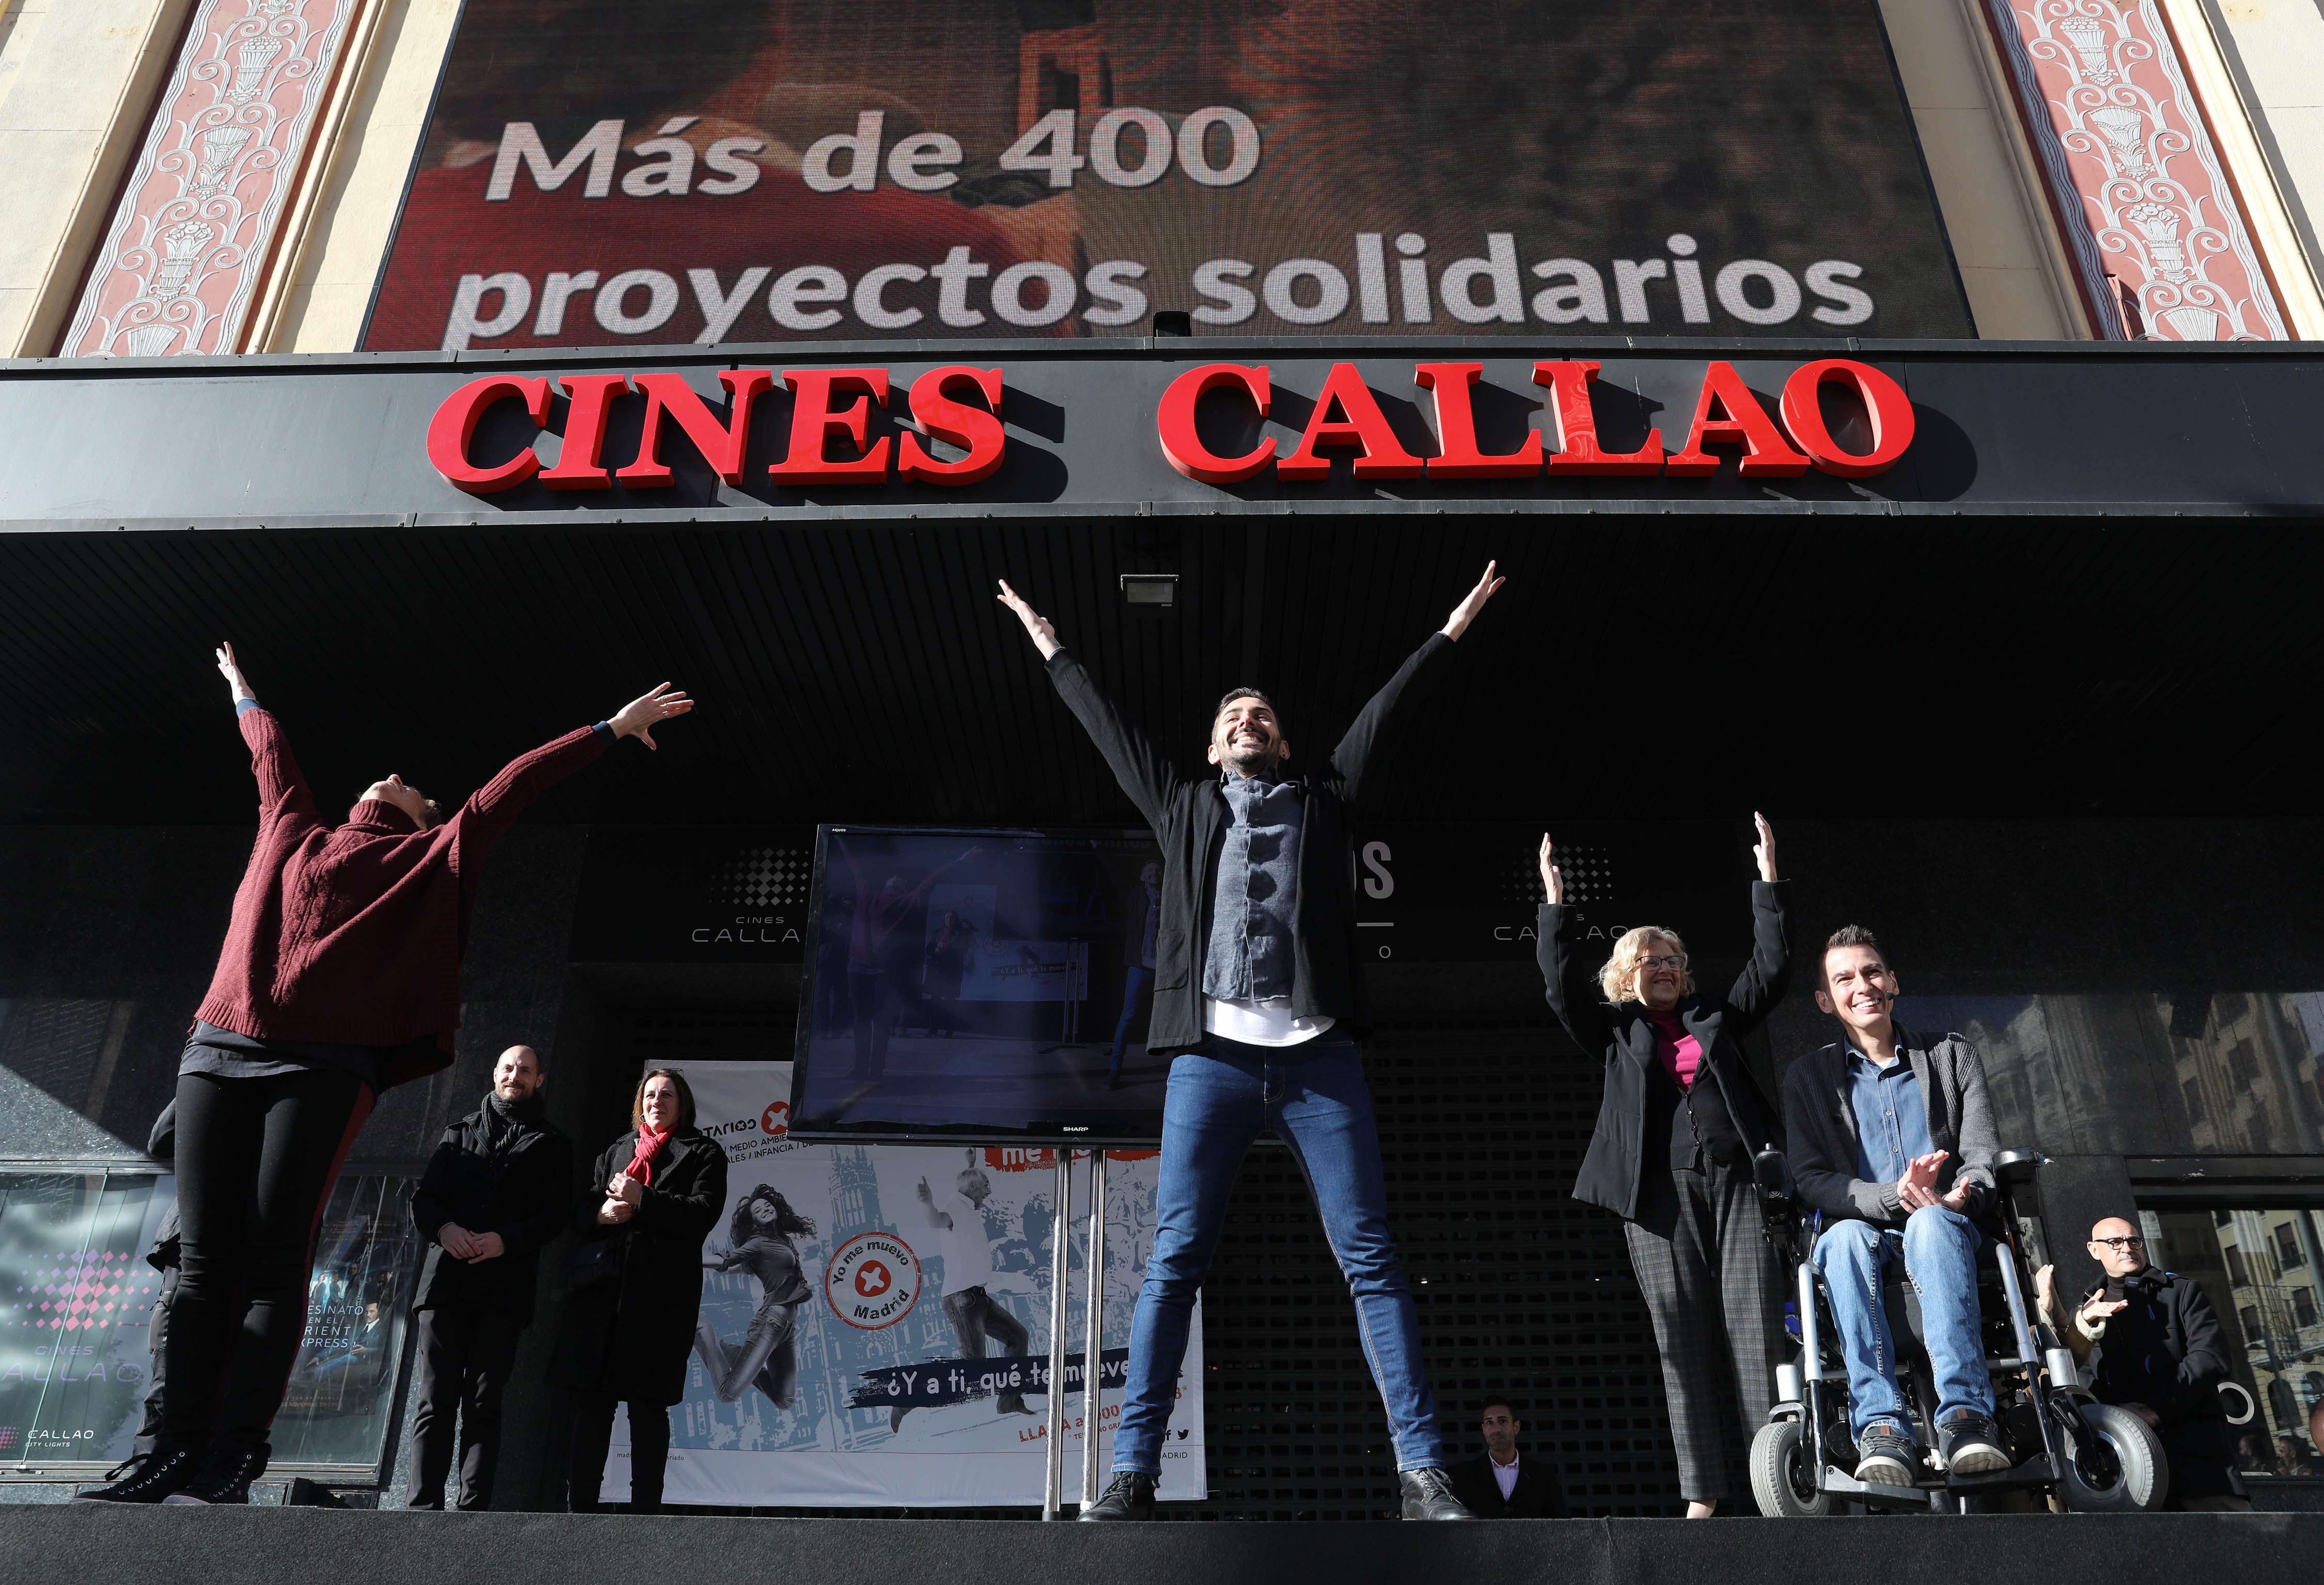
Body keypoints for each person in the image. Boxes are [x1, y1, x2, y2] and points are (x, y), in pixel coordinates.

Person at [76, 644, 692, 1508]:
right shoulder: (293, 826)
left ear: (423, 816)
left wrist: (611, 729)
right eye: (393, 776)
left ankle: (232, 1455)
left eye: (411, 785)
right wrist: (243, 689)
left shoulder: (436, 852)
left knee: (275, 1260)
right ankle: (166, 1451)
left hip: (324, 1066)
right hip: (219, 1047)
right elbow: (269, 752)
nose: (396, 776)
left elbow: (511, 787)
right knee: (203, 1262)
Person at [997, 562, 1508, 1523]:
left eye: (1262, 714)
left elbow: (1387, 711)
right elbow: (1107, 727)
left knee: (1371, 1257)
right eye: (1233, 715)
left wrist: (1450, 629)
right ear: (1212, 745)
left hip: (1319, 1058)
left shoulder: (1325, 798)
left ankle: (1422, 1472)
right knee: (1174, 1263)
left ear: (1284, 741)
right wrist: (1050, 643)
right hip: (1213, 1059)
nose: (1248, 720)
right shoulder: (1185, 804)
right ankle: (1132, 1473)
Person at [1535, 817, 1788, 1518]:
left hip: (1739, 1186)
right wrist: (1554, 905)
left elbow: (1771, 971)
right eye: (1651, 960)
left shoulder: (1716, 1016)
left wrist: (1769, 883)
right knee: (1681, 1339)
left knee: (1756, 1333)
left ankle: (1773, 1480)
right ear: (1628, 975)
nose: (1666, 967)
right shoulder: (1615, 1029)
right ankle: (1704, 1493)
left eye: (1673, 958)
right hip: (1655, 1197)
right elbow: (1560, 990)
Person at [1781, 925, 2013, 1488]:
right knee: (1841, 1239)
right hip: (1864, 1234)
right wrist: (1892, 1195)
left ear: (1893, 982)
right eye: (1844, 979)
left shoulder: (1951, 1053)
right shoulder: (1807, 1076)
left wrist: (1959, 1195)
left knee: (1931, 1221)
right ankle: (1881, 1426)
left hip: (1949, 1225)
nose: (1862, 986)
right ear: (1825, 1000)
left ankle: (1965, 1416)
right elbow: (1811, 1178)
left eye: (1872, 972)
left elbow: (1981, 1155)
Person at [404, 1044, 575, 1511]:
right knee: (434, 1400)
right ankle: (421, 1508)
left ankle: (472, 1510)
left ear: (539, 1080)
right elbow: (424, 1200)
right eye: (508, 1068)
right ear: (495, 1072)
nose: (515, 1075)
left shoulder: (554, 1143)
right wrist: (446, 1229)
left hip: (504, 1290)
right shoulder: (458, 1132)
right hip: (444, 1287)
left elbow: (556, 1215)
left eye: (525, 1070)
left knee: (483, 1402)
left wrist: (507, 1240)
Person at [550, 1069, 728, 1514]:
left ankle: (645, 1515)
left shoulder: (704, 1152)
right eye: (650, 1094)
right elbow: (583, 1211)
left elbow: (702, 1213)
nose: (657, 1101)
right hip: (603, 1300)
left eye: (667, 1094)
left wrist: (642, 1197)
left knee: (648, 1408)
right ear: (640, 1103)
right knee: (592, 1405)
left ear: (682, 1104)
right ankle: (580, 1510)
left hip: (660, 1302)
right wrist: (603, 1214)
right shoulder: (618, 1150)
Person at [2035, 1216, 2248, 1510]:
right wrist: (2119, 1412)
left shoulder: (2181, 1292)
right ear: (2094, 1250)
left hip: (2200, 1465)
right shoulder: (2086, 1312)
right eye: (2115, 1242)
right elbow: (2080, 1378)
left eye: (2133, 1241)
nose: (2127, 1248)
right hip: (2129, 1470)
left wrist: (2158, 1408)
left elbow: (2210, 1358)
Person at [892, 1156, 1033, 1432]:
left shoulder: (968, 1206)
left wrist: (972, 1163)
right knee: (972, 1368)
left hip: (977, 1296)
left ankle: (1009, 1401)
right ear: (972, 1188)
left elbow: (967, 1182)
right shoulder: (954, 1208)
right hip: (962, 1299)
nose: (989, 1191)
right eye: (985, 1186)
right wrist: (928, 1203)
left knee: (1018, 1337)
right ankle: (907, 1399)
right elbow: (937, 1220)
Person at [830, 836, 982, 1086]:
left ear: (902, 886)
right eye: (894, 876)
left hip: (872, 969)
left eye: (900, 877)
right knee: (868, 1021)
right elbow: (854, 864)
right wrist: (838, 837)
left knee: (873, 1021)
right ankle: (865, 1067)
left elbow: (931, 880)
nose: (896, 876)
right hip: (864, 968)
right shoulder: (874, 895)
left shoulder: (901, 899)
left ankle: (871, 1069)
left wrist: (959, 861)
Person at [695, 1185, 816, 1409]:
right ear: (755, 1222)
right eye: (758, 1210)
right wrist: (688, 1259)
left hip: (787, 1328)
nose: (766, 1209)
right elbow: (726, 1261)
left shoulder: (780, 1240)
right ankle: (703, 1329)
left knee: (785, 1401)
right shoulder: (758, 1242)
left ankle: (735, 1355)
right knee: (727, 1394)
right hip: (770, 1323)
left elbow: (745, 1268)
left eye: (767, 1205)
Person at [1446, 1396, 1567, 1517]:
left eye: (1503, 1421)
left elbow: (1560, 1522)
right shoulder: (1466, 1476)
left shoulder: (1542, 1475)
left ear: (1516, 1427)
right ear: (1484, 1430)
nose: (1496, 1429)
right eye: (1489, 1422)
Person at [1108, 861, 1164, 1089]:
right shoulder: (1136, 897)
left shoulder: (1171, 898)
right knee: (1128, 1016)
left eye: (1158, 870)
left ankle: (1177, 1072)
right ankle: (1114, 1069)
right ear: (1142, 877)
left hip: (1165, 969)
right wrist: (1098, 848)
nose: (1154, 873)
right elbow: (1115, 873)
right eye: (1149, 870)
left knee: (1171, 1019)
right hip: (1140, 966)